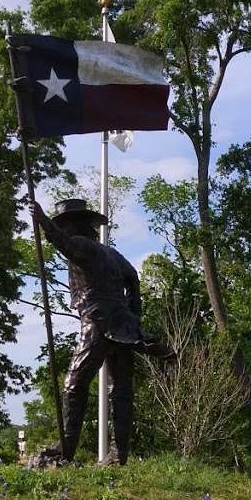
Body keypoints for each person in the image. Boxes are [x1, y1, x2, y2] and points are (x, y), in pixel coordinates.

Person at [32, 197, 169, 465]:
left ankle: (66, 451)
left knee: (74, 384)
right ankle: (119, 456)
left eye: (65, 224)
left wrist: (43, 222)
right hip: (124, 326)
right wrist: (133, 315)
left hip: (97, 323)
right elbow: (133, 278)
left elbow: (66, 245)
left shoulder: (83, 245)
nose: (65, 229)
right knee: (120, 389)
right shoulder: (111, 253)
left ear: (74, 225)